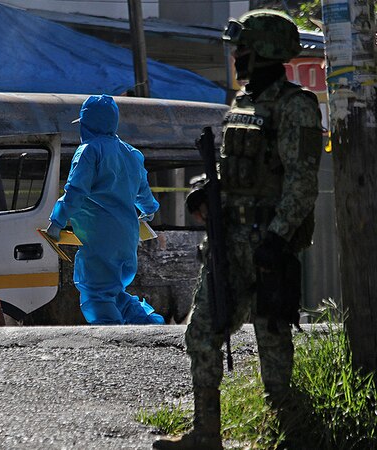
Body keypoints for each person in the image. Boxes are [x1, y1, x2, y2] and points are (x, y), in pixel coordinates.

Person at [154, 10, 322, 450]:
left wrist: (277, 238)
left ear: (264, 51)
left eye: (243, 49)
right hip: (228, 244)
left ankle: (289, 434)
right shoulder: (242, 105)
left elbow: (302, 184)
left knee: (272, 341)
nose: (237, 57)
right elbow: (238, 174)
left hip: (268, 244)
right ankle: (206, 434)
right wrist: (206, 193)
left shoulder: (296, 106)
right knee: (202, 332)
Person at [45, 94, 164, 325]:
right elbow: (145, 196)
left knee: (96, 295)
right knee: (115, 292)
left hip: (100, 238)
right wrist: (149, 210)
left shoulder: (89, 150)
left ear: (87, 123)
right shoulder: (131, 153)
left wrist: (56, 222)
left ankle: (112, 345)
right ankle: (149, 326)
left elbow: (75, 192)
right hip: (128, 239)